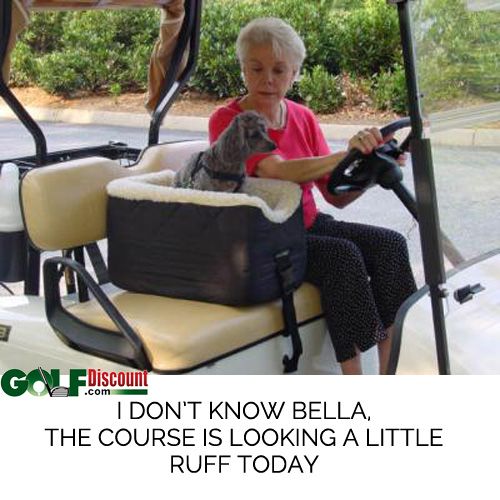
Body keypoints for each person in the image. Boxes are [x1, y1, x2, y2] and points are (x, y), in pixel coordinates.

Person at [208, 17, 417, 375]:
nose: (267, 79)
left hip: (307, 224)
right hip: (263, 239)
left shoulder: (303, 117)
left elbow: (334, 196)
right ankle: (355, 379)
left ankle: (393, 373)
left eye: (279, 70)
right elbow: (275, 170)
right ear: (243, 69)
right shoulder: (228, 121)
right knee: (343, 257)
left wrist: (370, 169)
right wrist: (348, 154)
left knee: (391, 244)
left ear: (294, 73)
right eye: (256, 68)